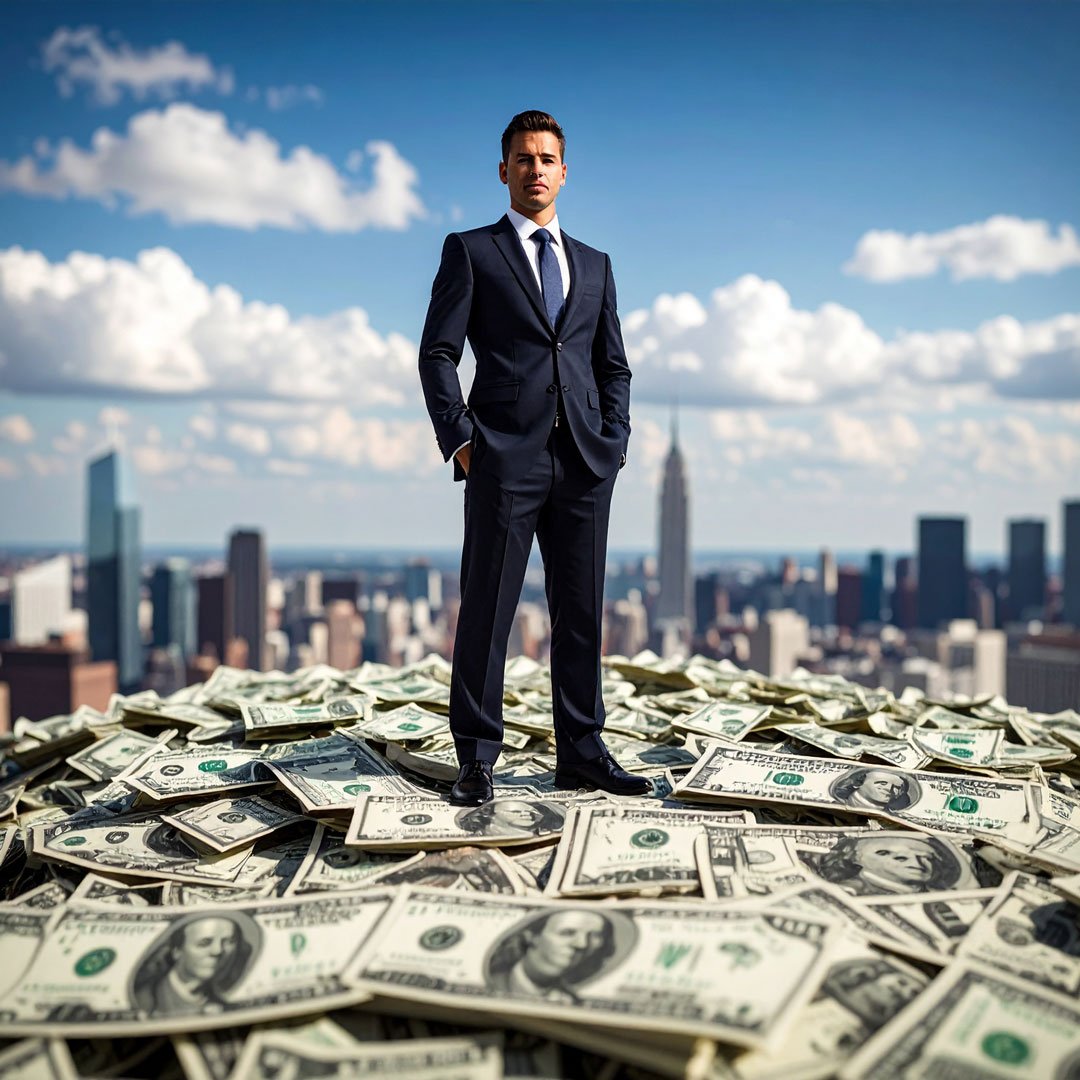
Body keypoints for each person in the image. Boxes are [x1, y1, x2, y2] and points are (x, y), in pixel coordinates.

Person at [419, 110, 649, 806]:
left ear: (564, 171)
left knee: (580, 612)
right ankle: (477, 761)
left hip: (583, 460)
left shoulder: (596, 263)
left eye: (547, 158)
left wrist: (615, 441)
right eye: (523, 158)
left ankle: (581, 752)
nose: (536, 169)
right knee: (488, 609)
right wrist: (462, 440)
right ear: (504, 171)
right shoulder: (471, 250)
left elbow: (614, 364)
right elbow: (438, 353)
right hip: (502, 458)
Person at [487, 909, 616, 1003]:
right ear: (531, 936)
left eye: (594, 936)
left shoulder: (573, 998)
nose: (582, 944)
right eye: (567, 932)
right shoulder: (494, 980)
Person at [132, 914, 250, 1016]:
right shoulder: (144, 999)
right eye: (204, 943)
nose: (217, 951)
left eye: (228, 941)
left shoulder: (222, 999)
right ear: (177, 950)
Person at [811, 834, 963, 895]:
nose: (915, 861)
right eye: (884, 853)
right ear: (853, 857)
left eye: (926, 856)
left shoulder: (944, 894)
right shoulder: (847, 890)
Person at [829, 767, 919, 814]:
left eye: (897, 787)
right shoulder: (834, 807)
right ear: (858, 783)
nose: (889, 789)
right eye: (882, 783)